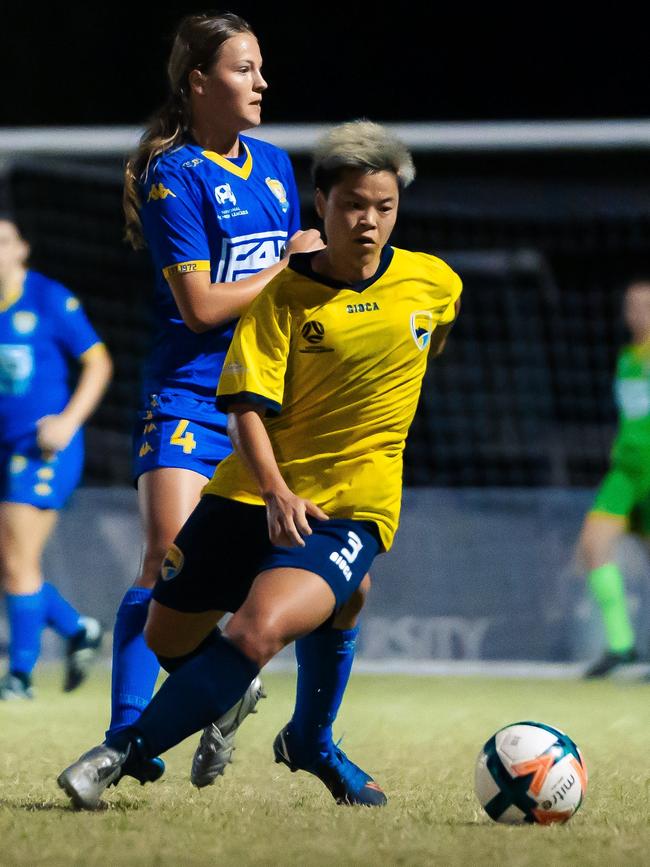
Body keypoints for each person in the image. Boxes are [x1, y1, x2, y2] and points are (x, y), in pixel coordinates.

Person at [57, 119, 462, 810]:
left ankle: (117, 755)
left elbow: (421, 356)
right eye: (352, 205)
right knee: (166, 631)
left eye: (383, 207)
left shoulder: (434, 284)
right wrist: (275, 490)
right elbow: (244, 411)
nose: (368, 222)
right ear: (321, 205)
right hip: (253, 492)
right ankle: (289, 728)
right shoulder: (280, 297)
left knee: (257, 627)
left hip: (348, 506)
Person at [77, 11, 367, 791]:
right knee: (161, 563)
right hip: (189, 397)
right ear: (198, 82)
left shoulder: (274, 165)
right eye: (244, 69)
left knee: (281, 590)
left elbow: (308, 287)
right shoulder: (172, 172)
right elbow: (203, 308)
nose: (262, 82)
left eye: (262, 67)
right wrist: (291, 263)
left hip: (268, 405)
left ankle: (255, 707)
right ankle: (127, 739)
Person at [0, 216, 112, 699]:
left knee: (15, 558)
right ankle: (76, 628)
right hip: (5, 448)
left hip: (42, 447)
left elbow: (98, 360)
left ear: (21, 248)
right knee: (12, 561)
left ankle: (20, 677)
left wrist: (67, 421)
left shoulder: (47, 297)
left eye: (2, 241)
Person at [578, 279, 650, 677]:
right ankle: (620, 645)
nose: (636, 312)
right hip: (625, 472)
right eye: (631, 305)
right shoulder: (627, 357)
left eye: (645, 305)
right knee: (594, 545)